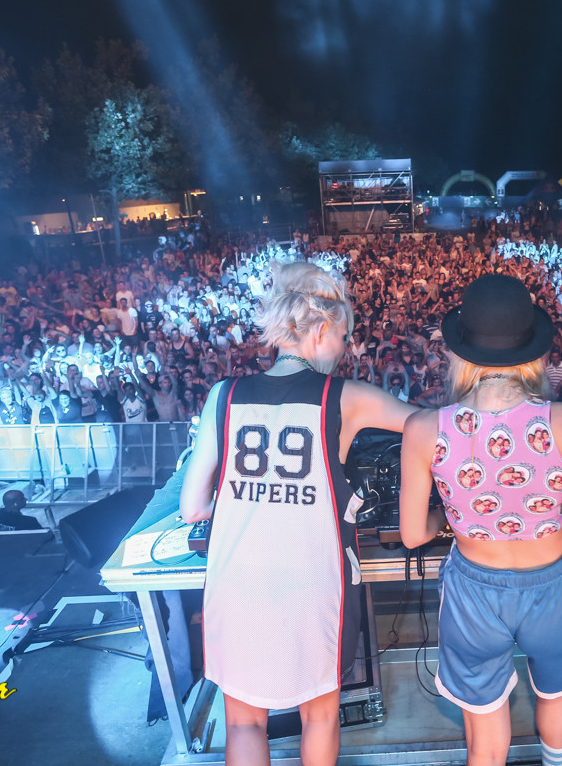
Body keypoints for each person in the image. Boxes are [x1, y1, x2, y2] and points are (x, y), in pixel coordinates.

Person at [179, 262, 413, 766]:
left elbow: (192, 506)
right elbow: (430, 425)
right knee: (320, 718)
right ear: (322, 330)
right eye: (344, 338)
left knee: (243, 722)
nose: (345, 349)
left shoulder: (224, 395)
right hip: (312, 582)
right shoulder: (345, 396)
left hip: (237, 581)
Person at [399, 274, 562, 766]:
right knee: (555, 696)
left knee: (484, 735)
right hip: (557, 588)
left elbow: (413, 535)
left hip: (473, 593)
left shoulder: (423, 429)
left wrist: (449, 513)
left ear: (460, 351)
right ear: (533, 349)